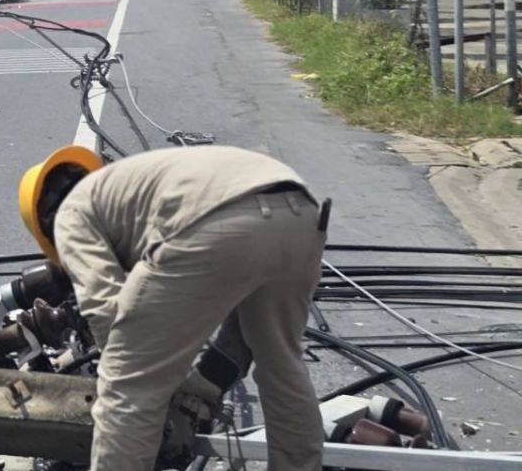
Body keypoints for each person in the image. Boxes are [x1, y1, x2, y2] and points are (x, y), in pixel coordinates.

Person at [18, 145, 327, 471]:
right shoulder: (124, 187)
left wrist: (132, 371)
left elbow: (104, 306)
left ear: (45, 224)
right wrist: (201, 383)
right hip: (301, 214)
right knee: (283, 367)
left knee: (129, 389)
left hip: (216, 222)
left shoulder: (71, 214)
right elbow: (238, 310)